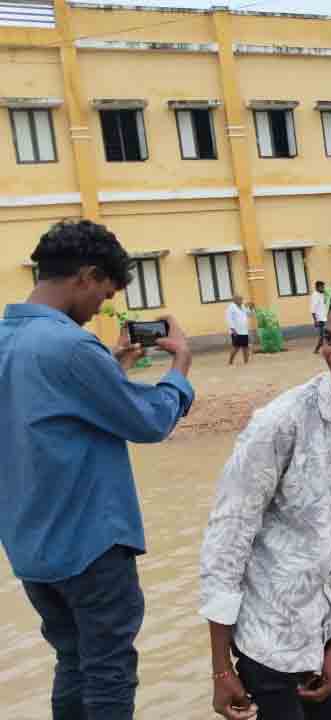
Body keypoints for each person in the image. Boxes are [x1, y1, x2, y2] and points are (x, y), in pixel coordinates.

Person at [1, 219, 195, 720]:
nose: (101, 309)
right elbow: (148, 422)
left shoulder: (9, 339)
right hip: (89, 543)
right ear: (85, 276)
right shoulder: (70, 346)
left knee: (73, 660)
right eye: (104, 294)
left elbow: (44, 409)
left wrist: (111, 367)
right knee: (108, 669)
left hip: (30, 547)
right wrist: (180, 371)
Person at [200, 274, 331, 720]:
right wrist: (221, 670)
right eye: (330, 340)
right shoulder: (280, 423)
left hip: (324, 636)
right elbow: (227, 540)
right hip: (266, 642)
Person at [226, 294, 252, 366]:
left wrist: (251, 307)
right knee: (236, 347)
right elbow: (229, 319)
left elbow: (249, 314)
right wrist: (233, 329)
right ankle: (230, 361)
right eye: (240, 299)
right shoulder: (231, 307)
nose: (241, 301)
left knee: (246, 346)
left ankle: (246, 362)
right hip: (236, 331)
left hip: (244, 330)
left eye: (241, 299)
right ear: (234, 300)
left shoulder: (243, 306)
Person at [311, 281, 329, 354]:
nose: (323, 288)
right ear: (317, 287)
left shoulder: (322, 294)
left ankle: (321, 350)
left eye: (323, 287)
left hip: (325, 318)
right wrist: (315, 320)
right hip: (320, 319)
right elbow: (312, 309)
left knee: (325, 336)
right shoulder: (315, 295)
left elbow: (324, 304)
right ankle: (316, 349)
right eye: (322, 287)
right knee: (322, 337)